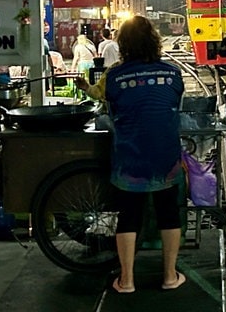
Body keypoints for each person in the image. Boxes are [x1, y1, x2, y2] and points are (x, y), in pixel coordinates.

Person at [75, 15, 186, 293]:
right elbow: (173, 104)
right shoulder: (173, 73)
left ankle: (126, 280)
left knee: (129, 215)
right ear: (154, 40)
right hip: (165, 155)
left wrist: (84, 87)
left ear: (122, 44)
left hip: (130, 156)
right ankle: (170, 276)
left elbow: (100, 97)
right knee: (168, 213)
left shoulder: (113, 74)